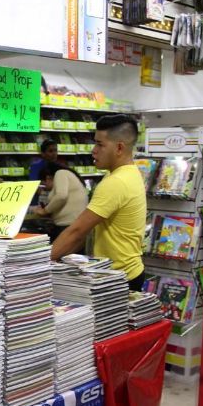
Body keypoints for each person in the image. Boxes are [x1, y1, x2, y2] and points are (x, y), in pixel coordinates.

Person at [51, 114, 147, 291]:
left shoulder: (115, 182)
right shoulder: (129, 173)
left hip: (118, 278)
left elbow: (77, 231)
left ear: (119, 148)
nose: (93, 150)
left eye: (100, 144)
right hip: (129, 272)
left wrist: (38, 263)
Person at [32, 162, 89, 242]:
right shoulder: (68, 176)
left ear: (48, 178)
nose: (44, 188)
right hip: (73, 225)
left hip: (68, 227)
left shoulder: (60, 173)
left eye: (43, 184)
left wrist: (44, 211)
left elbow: (61, 196)